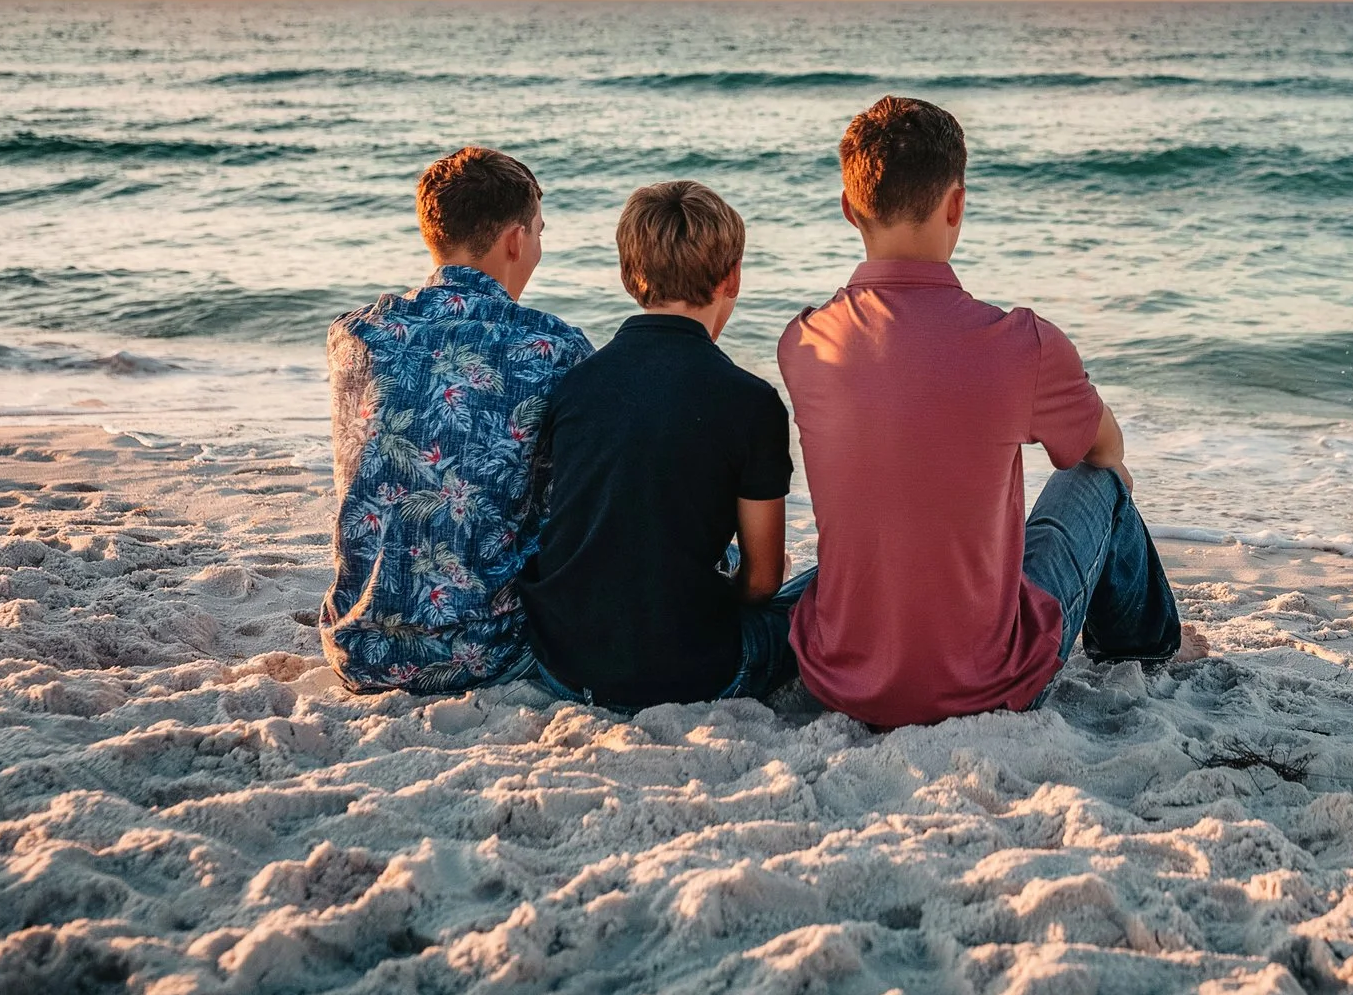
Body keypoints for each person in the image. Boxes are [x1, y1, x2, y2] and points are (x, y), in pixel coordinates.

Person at [777, 95, 1202, 730]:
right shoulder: (1021, 343)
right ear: (956, 205)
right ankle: (1146, 648)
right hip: (990, 684)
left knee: (872, 546)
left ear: (848, 209)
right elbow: (1106, 449)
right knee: (1099, 484)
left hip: (844, 680)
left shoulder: (803, 341)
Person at [518, 181, 807, 710]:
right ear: (733, 277)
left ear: (630, 276)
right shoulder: (753, 402)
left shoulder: (576, 384)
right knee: (826, 587)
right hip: (689, 676)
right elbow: (763, 582)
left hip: (563, 661)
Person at [320, 147, 592, 694]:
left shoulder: (354, 336)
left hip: (357, 648)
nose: (538, 247)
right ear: (515, 239)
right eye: (538, 231)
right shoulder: (552, 347)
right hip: (488, 651)